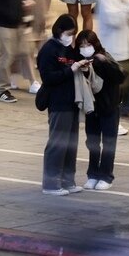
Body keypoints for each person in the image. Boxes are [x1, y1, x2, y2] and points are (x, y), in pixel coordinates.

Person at [38, 14, 82, 194]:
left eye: (73, 34)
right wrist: (70, 70)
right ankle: (51, 183)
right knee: (57, 143)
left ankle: (67, 180)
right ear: (59, 30)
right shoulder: (49, 50)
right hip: (58, 103)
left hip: (72, 102)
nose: (70, 37)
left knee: (71, 144)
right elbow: (48, 78)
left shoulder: (68, 49)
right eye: (69, 33)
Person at [75, 30, 126, 189]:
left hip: (109, 106)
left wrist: (104, 62)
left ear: (95, 44)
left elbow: (121, 77)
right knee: (92, 142)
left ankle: (106, 176)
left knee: (108, 142)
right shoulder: (79, 61)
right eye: (82, 45)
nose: (85, 48)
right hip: (92, 108)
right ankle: (92, 174)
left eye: (88, 44)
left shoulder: (104, 58)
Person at [95, 0, 129, 133]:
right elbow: (114, 20)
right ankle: (111, 122)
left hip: (125, 46)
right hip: (113, 48)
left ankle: (118, 117)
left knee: (127, 85)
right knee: (113, 89)